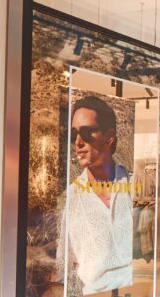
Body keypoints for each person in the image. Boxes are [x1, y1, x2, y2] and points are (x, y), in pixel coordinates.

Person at [58, 96, 134, 294]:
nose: (78, 142)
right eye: (74, 134)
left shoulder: (133, 186)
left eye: (87, 132)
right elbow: (66, 261)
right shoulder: (73, 196)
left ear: (109, 137)